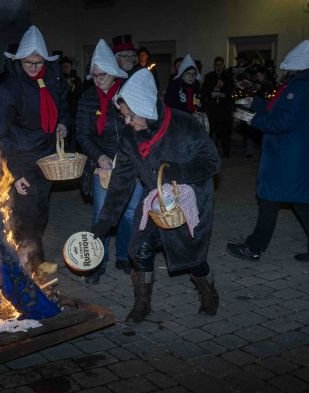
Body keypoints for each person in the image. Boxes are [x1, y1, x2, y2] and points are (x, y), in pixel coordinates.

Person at [92, 68, 221, 322]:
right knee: (139, 248)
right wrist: (105, 222)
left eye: (129, 116)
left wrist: (180, 171)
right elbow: (122, 179)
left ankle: (209, 294)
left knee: (192, 259)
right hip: (154, 202)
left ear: (145, 109)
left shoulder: (185, 125)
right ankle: (142, 305)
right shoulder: (130, 136)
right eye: (123, 116)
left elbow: (212, 162)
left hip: (189, 202)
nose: (126, 122)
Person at [226, 40, 309, 264]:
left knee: (269, 200)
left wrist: (251, 118)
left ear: (295, 67)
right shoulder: (307, 86)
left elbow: (281, 122)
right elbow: (280, 110)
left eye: (287, 67)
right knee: (302, 204)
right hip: (299, 155)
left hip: (288, 155)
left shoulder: (298, 88)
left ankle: (253, 248)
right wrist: (255, 102)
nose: (283, 71)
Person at [0, 25, 69, 277]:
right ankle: (24, 264)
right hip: (20, 157)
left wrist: (62, 122)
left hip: (46, 156)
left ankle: (36, 257)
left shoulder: (52, 79)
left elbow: (64, 105)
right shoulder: (8, 87)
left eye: (38, 62)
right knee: (25, 212)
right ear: (19, 60)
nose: (34, 68)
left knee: (41, 210)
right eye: (28, 63)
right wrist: (14, 171)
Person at [76, 39, 142, 283]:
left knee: (130, 212)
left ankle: (124, 256)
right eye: (94, 76)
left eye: (102, 75)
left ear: (114, 74)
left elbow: (141, 126)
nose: (97, 80)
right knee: (101, 215)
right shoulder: (87, 98)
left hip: (129, 162)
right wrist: (99, 156)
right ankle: (96, 263)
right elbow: (82, 134)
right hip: (102, 164)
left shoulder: (129, 94)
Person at [202, 56, 234, 156]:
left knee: (225, 131)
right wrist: (213, 90)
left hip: (224, 109)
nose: (219, 67)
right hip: (213, 108)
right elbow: (204, 91)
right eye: (217, 65)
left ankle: (226, 151)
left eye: (220, 65)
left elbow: (232, 91)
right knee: (212, 130)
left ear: (223, 65)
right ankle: (213, 151)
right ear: (214, 66)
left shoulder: (229, 76)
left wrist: (223, 87)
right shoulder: (209, 76)